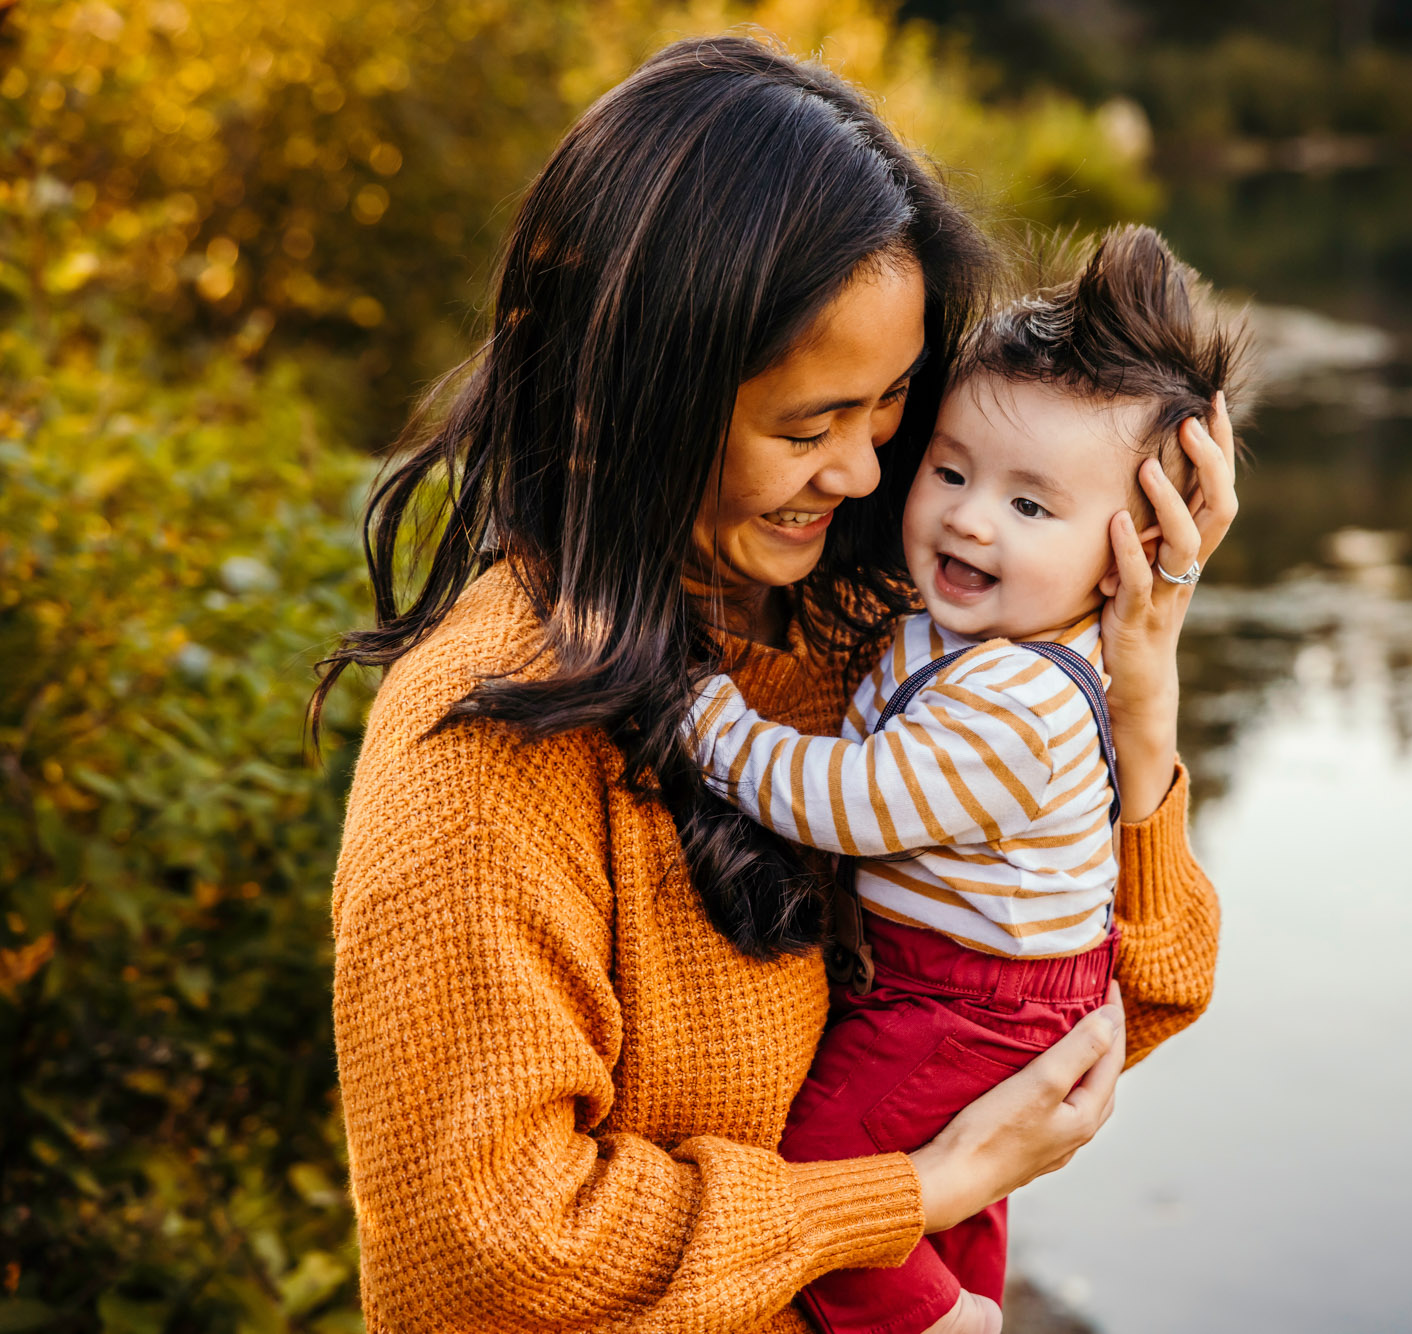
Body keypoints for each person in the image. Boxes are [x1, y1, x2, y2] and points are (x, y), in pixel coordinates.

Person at [313, 36, 1237, 1334]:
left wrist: (1138, 675)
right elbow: (493, 1259)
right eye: (808, 426)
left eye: (890, 413)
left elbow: (1113, 1007)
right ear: (636, 388)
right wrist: (912, 1193)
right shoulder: (488, 739)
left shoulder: (858, 630)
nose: (864, 475)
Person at [680, 224, 1251, 1334]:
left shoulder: (1016, 697)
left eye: (1031, 505)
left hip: (963, 995)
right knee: (941, 1179)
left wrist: (712, 721)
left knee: (828, 1170)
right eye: (948, 468)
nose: (971, 515)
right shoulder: (936, 622)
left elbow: (852, 801)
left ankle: (937, 1321)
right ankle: (972, 1293)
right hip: (971, 989)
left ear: (1132, 544)